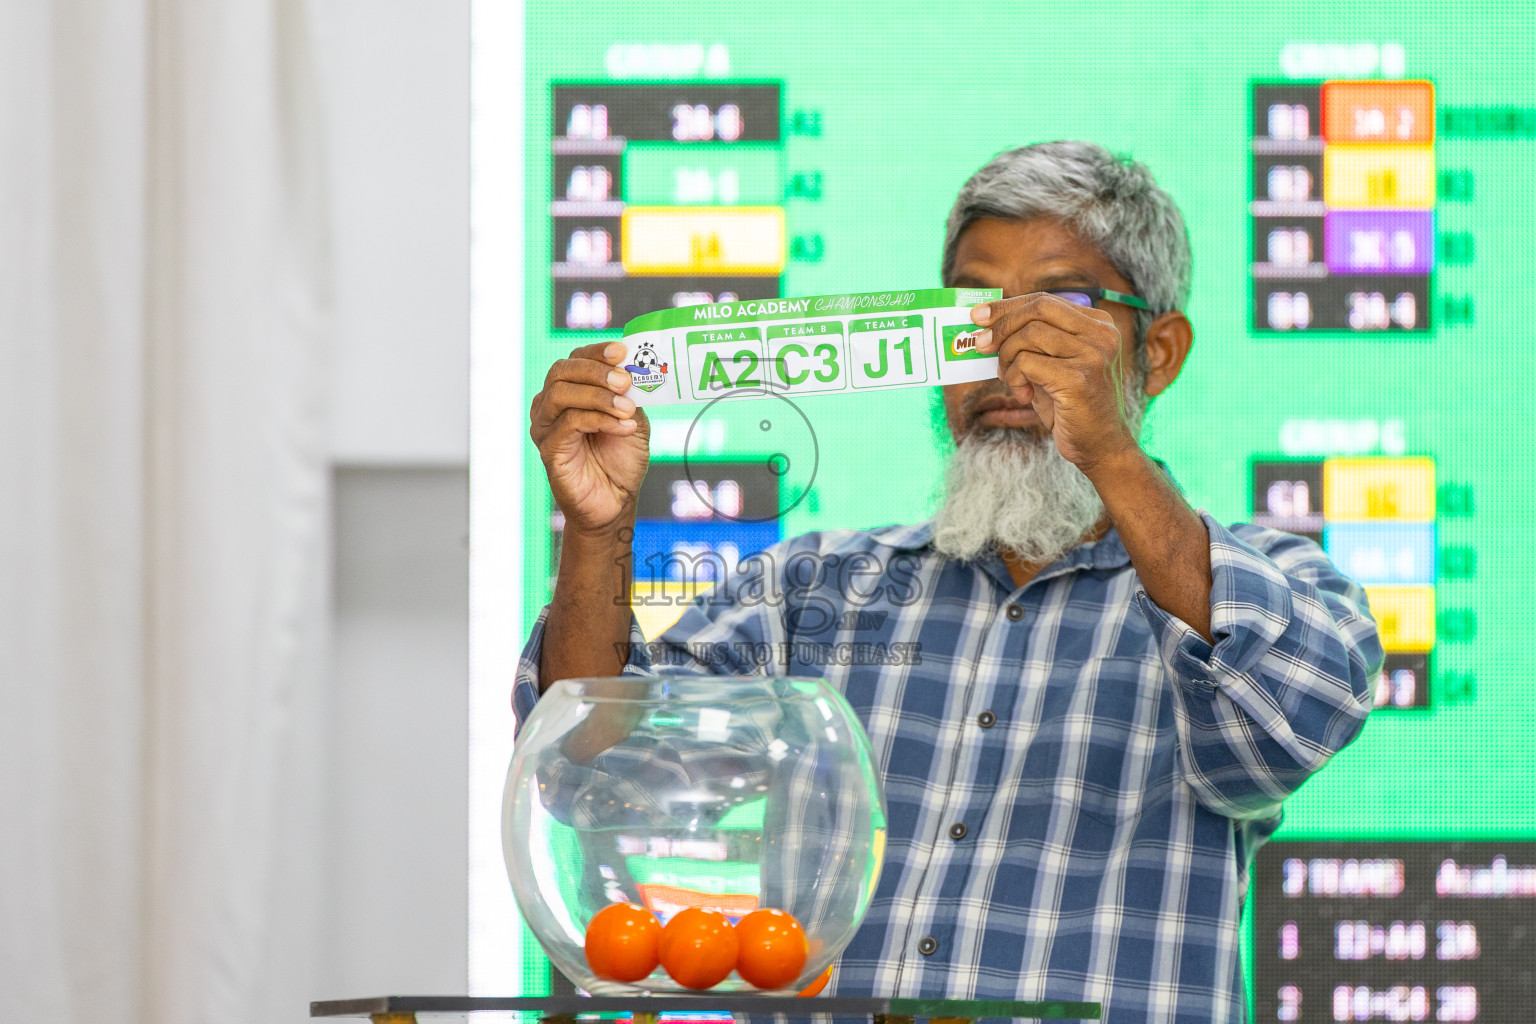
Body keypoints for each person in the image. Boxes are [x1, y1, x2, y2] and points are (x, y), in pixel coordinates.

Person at [517, 140, 1382, 1022]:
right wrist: (598, 530)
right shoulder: (811, 588)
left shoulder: (1269, 582)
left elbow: (1276, 732)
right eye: (973, 312)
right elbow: (594, 767)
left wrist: (1108, 446)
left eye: (1059, 311)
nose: (1009, 352)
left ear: (1156, 353)